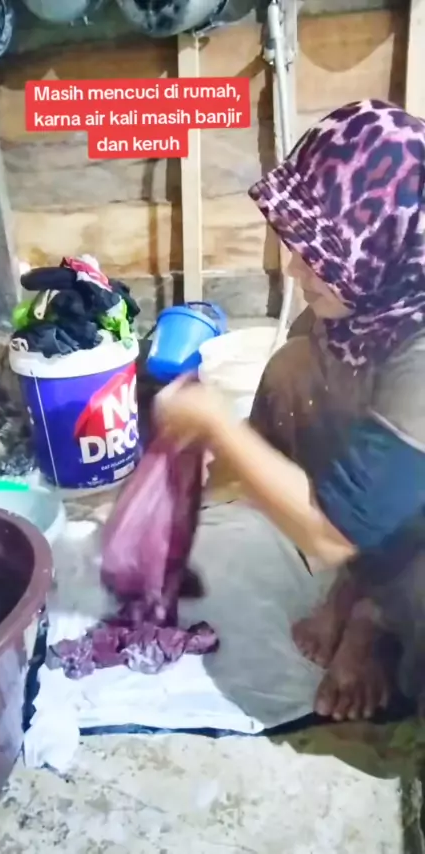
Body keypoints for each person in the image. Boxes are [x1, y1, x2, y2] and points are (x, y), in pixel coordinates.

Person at [154, 99, 425, 722]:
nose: (298, 267)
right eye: (300, 245)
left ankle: (381, 617)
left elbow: (330, 532)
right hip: (392, 507)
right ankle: (360, 591)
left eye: (321, 250)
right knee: (294, 369)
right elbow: (272, 441)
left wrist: (213, 421)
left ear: (384, 237)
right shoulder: (365, 305)